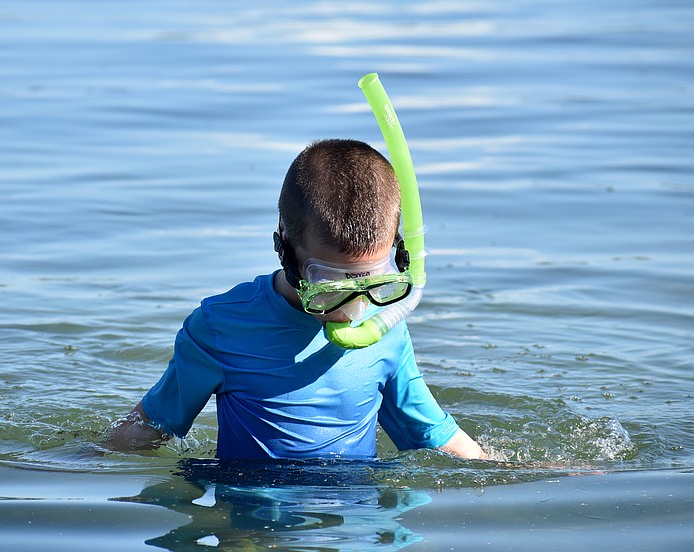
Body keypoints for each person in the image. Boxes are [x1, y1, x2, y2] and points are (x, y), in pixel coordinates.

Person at [106, 139, 486, 460]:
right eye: (330, 285)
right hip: (254, 524)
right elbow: (150, 426)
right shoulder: (220, 326)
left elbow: (431, 435)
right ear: (284, 245)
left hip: (360, 524)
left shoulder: (386, 327)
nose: (353, 307)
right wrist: (78, 463)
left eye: (375, 282)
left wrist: (520, 474)